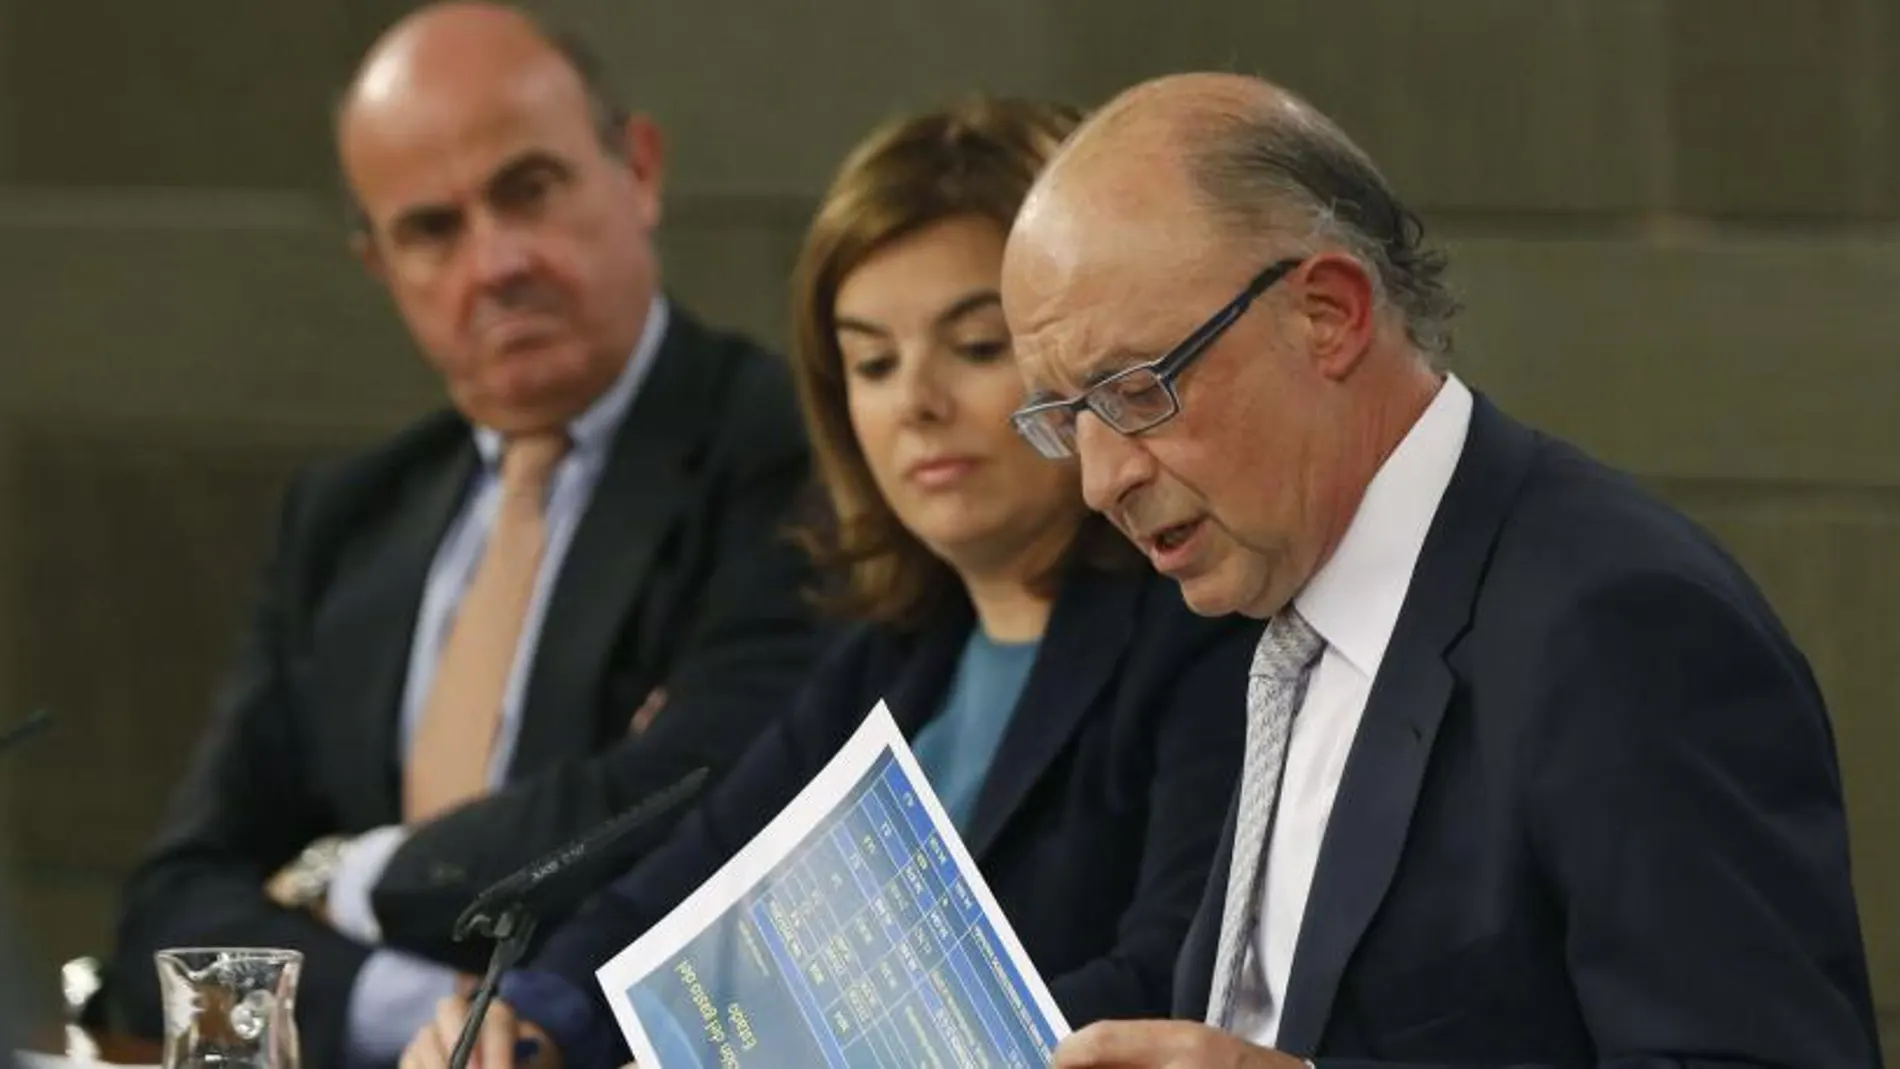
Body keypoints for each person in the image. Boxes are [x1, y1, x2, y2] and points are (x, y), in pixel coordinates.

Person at [1001, 73, 1881, 1068]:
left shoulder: (1624, 625)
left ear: (1327, 315)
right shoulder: (1287, 606)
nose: (1100, 478)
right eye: (1065, 416)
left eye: (1135, 391)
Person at [397, 96, 1261, 1069]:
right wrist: (534, 1023)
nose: (917, 405)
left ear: (1082, 359)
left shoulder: (1203, 631)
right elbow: (680, 886)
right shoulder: (888, 652)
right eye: (872, 362)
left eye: (976, 348)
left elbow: (1165, 981)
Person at [106, 5, 824, 1067]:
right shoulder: (348, 515)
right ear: (378, 265)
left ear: (638, 169)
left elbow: (694, 825)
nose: (495, 264)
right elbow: (169, 914)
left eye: (527, 191)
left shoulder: (789, 452)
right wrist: (426, 1013)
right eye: (431, 229)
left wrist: (335, 876)